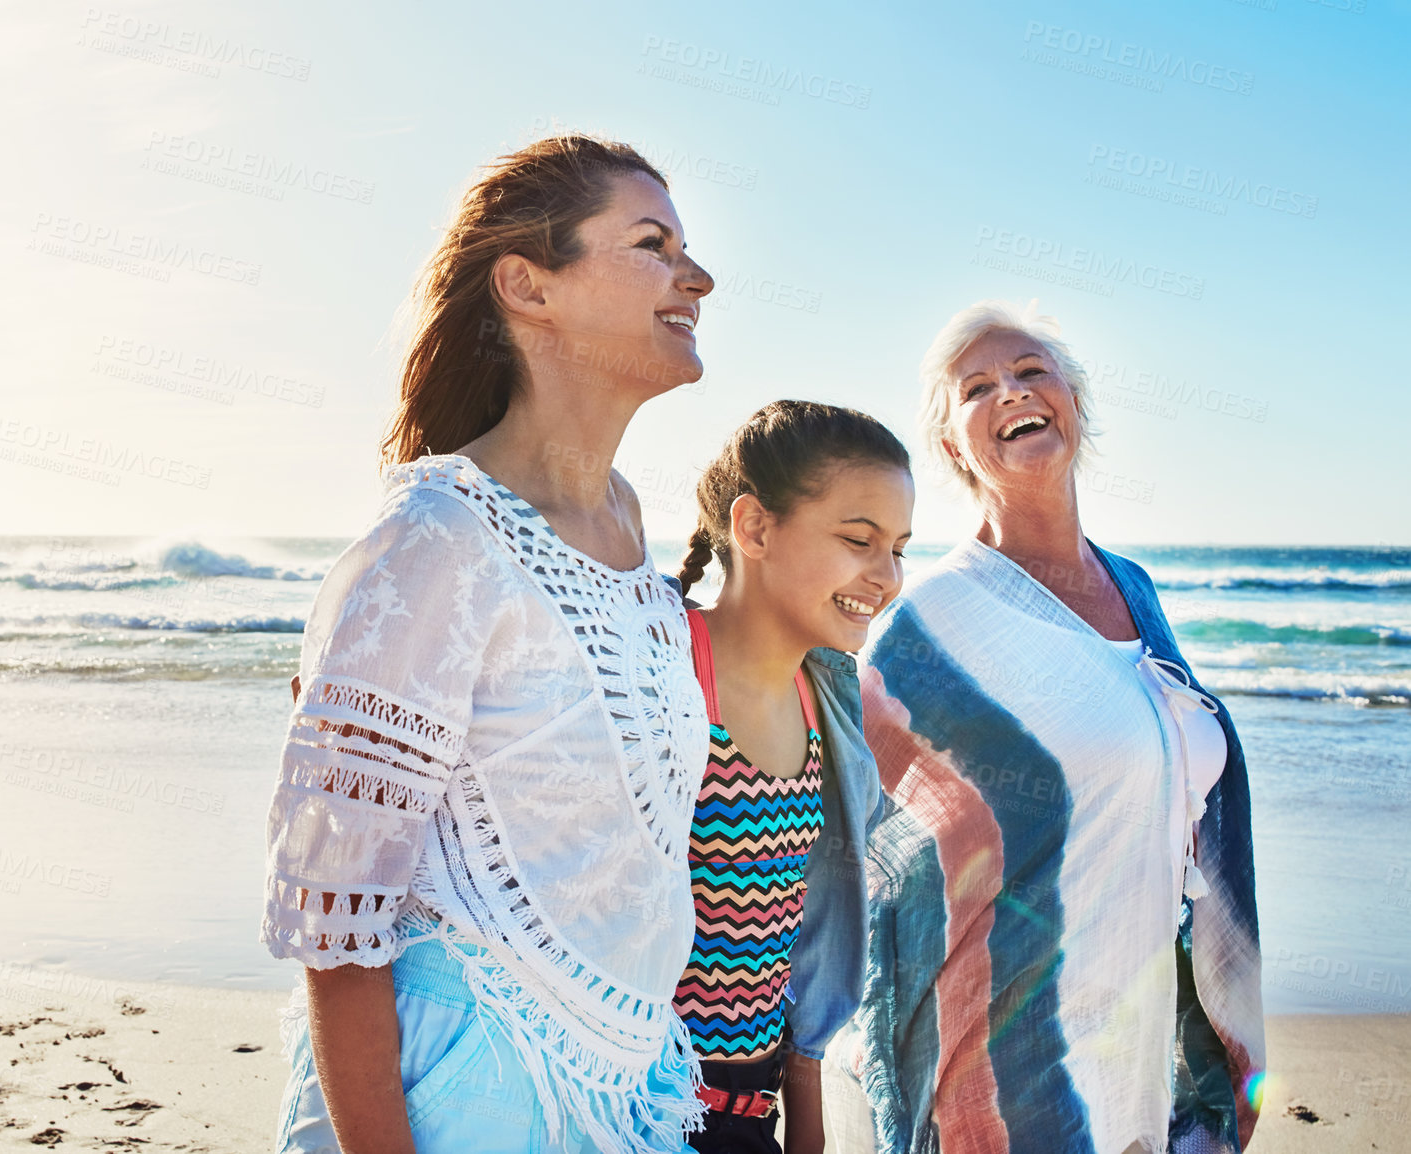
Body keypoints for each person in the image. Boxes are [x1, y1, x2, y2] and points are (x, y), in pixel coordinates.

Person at [264, 134, 716, 1154]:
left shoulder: (633, 540)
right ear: (527, 284)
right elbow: (337, 926)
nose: (698, 276)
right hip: (464, 1087)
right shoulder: (437, 540)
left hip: (631, 1083)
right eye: (653, 243)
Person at [845, 300, 1264, 1153]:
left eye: (1033, 371)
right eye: (978, 387)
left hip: (1140, 1030)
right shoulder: (932, 624)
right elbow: (868, 840)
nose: (1012, 391)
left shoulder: (1135, 589)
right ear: (955, 445)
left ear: (1073, 401)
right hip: (1010, 1048)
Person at [672, 401, 914, 1154]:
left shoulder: (826, 700)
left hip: (751, 1117)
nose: (886, 576)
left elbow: (802, 952)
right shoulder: (667, 672)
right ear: (755, 529)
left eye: (901, 548)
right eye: (858, 540)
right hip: (640, 1109)